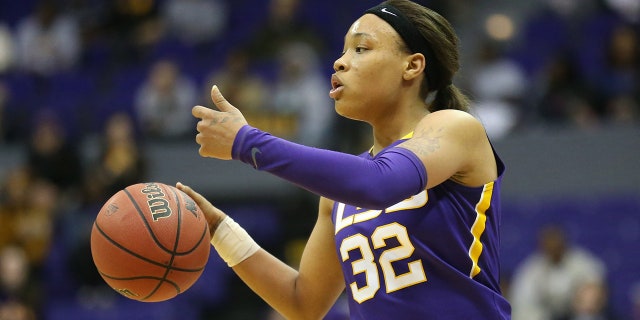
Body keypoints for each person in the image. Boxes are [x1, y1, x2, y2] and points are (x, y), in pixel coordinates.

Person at [177, 0, 511, 318]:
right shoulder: (339, 194)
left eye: (361, 49)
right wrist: (220, 229)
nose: (340, 62)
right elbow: (302, 303)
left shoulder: (455, 128)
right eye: (343, 50)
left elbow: (379, 182)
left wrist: (246, 142)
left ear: (412, 66)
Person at [509, 224, 606, 320]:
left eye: (556, 243)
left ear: (563, 243)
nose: (553, 247)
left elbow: (596, 287)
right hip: (545, 313)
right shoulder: (532, 268)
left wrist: (585, 299)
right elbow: (522, 299)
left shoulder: (582, 262)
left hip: (576, 312)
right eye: (549, 244)